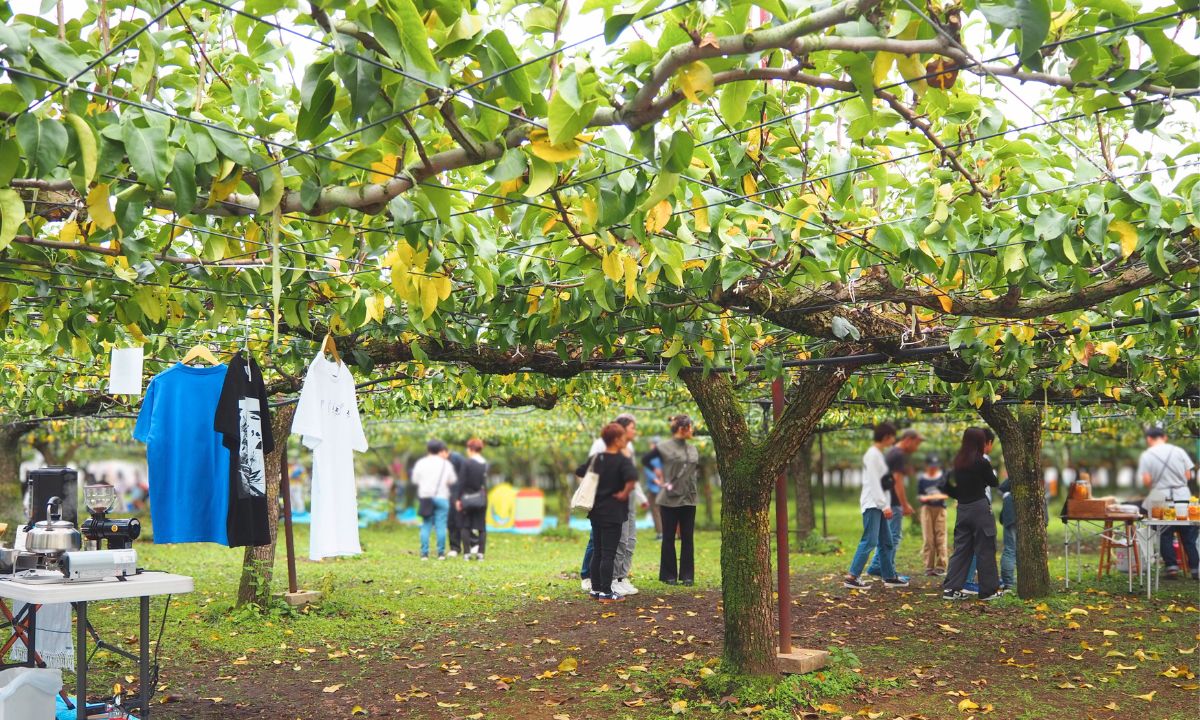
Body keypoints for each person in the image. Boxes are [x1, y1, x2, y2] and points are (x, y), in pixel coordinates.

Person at [576, 422, 638, 602]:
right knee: (609, 553)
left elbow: (580, 472)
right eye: (623, 438)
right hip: (614, 512)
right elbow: (632, 479)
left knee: (598, 551)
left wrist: (592, 489)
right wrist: (623, 494)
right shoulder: (621, 460)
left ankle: (595, 589)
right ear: (617, 440)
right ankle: (606, 592)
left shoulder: (597, 458)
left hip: (596, 511)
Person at [844, 423, 908, 589]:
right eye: (893, 437)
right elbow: (874, 482)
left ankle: (889, 576)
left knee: (886, 542)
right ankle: (852, 576)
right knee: (870, 541)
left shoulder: (878, 454)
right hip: (873, 504)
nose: (894, 440)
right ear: (886, 437)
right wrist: (884, 505)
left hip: (879, 504)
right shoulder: (872, 455)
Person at [943, 428, 1002, 601]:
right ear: (979, 442)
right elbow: (994, 482)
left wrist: (959, 495)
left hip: (963, 509)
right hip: (980, 509)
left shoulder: (958, 461)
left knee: (961, 549)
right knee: (985, 548)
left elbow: (946, 486)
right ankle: (988, 591)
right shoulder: (981, 462)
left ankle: (951, 590)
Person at [1139, 426, 1197, 579]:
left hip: (1160, 496)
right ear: (1164, 437)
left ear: (1149, 439)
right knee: (1188, 534)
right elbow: (1188, 475)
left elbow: (1146, 480)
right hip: (1182, 495)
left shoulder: (1147, 455)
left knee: (1164, 533)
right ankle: (1196, 568)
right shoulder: (1178, 451)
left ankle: (1171, 567)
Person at [868, 428, 921, 580]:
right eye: (916, 443)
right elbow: (897, 481)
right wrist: (904, 504)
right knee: (892, 538)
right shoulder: (898, 455)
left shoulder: (892, 453)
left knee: (887, 537)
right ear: (908, 439)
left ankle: (878, 567)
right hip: (893, 502)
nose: (917, 448)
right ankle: (887, 571)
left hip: (887, 501)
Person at [658, 415, 700, 586]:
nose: (692, 430)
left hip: (689, 498)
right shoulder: (664, 447)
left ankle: (687, 575)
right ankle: (668, 575)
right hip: (670, 498)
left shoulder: (693, 449)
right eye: (690, 427)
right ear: (683, 428)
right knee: (668, 536)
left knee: (688, 537)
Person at [413, 439, 457, 560]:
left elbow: (415, 480)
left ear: (428, 449)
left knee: (426, 525)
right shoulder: (446, 464)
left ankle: (424, 554)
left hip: (426, 498)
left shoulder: (421, 463)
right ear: (440, 450)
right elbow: (452, 480)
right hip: (442, 497)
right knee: (441, 526)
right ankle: (441, 553)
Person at [452, 438, 489, 561]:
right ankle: (481, 554)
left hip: (467, 499)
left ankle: (467, 553)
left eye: (468, 448)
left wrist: (457, 499)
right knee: (481, 527)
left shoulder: (467, 463)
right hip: (481, 499)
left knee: (465, 525)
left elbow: (461, 482)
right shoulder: (485, 464)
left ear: (471, 449)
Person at [918, 454, 949, 576]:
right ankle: (929, 566)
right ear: (926, 466)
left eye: (935, 466)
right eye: (931, 466)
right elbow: (920, 496)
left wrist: (931, 497)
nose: (933, 468)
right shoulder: (922, 479)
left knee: (940, 537)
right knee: (928, 538)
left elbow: (946, 494)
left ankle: (941, 565)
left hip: (940, 509)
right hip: (927, 509)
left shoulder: (942, 477)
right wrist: (926, 498)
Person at [641, 439, 665, 540]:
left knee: (655, 511)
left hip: (655, 488)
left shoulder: (651, 458)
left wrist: (657, 481)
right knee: (663, 510)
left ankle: (660, 533)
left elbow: (649, 471)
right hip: (664, 488)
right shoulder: (663, 456)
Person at [998, 474, 1016, 590]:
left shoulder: (1017, 469)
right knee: (1013, 549)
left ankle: (1008, 582)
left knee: (1010, 549)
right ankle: (1010, 581)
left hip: (1011, 513)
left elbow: (1002, 487)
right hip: (1024, 513)